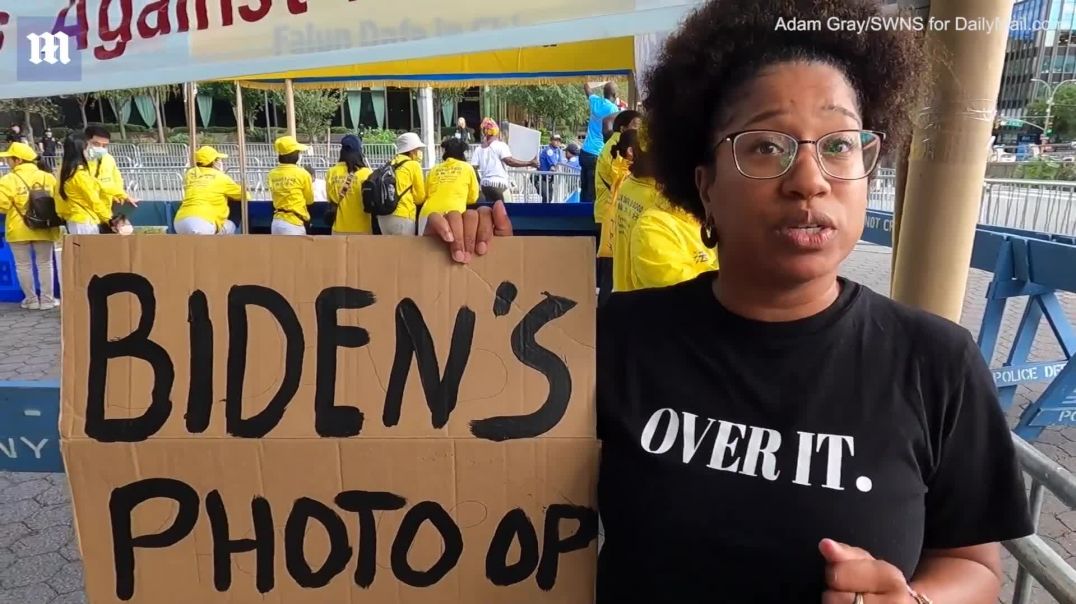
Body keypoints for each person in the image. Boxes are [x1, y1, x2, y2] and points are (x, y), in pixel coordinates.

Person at [424, 0, 1035, 601]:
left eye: (840, 144)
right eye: (766, 146)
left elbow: (973, 564)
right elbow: (466, 452)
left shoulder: (936, 364)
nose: (810, 179)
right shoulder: (616, 338)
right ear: (705, 185)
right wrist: (462, 280)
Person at [0, 142, 59, 310]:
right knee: (45, 263)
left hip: (18, 229)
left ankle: (31, 300)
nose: (7, 162)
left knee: (23, 266)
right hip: (44, 227)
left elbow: (2, 205)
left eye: (9, 159)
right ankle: (47, 300)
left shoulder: (8, 179)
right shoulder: (47, 177)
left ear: (17, 160)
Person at [595, 110, 643, 302]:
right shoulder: (617, 148)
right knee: (611, 275)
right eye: (636, 127)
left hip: (615, 216)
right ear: (623, 128)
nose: (641, 132)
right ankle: (606, 322)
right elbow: (621, 179)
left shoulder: (614, 145)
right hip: (612, 219)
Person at [173, 146, 242, 235]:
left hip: (180, 222)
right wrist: (220, 173)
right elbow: (244, 195)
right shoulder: (222, 178)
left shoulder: (190, 174)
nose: (221, 162)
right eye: (219, 159)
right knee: (237, 209)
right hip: (204, 224)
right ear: (214, 162)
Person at [419, 137, 480, 236]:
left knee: (423, 250)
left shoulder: (434, 169)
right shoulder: (467, 168)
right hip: (454, 216)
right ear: (462, 153)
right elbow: (473, 198)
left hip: (427, 215)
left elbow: (426, 194)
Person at [56, 133, 111, 235]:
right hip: (85, 223)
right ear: (81, 150)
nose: (90, 150)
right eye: (89, 146)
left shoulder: (66, 171)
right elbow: (94, 200)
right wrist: (110, 219)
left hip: (74, 220)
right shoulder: (80, 174)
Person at [470, 118, 537, 203]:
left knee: (489, 212)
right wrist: (529, 163)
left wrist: (480, 182)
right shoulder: (501, 145)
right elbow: (509, 161)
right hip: (499, 185)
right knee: (507, 210)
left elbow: (473, 168)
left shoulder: (478, 149)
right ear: (496, 131)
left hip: (485, 185)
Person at [579, 81, 621, 203]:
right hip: (597, 154)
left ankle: (579, 216)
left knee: (584, 188)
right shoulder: (613, 108)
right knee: (593, 192)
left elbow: (586, 86)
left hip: (585, 151)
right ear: (614, 94)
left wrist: (599, 82)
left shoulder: (595, 102)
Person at [378, 132, 427, 236]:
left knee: (389, 252)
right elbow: (419, 198)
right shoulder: (413, 165)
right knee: (405, 252)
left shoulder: (389, 163)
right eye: (418, 149)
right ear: (412, 150)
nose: (420, 152)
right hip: (403, 216)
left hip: (383, 217)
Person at [327, 134, 374, 235]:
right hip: (363, 228)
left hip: (338, 228)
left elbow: (330, 199)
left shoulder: (332, 172)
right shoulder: (367, 173)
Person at [268, 136, 314, 235]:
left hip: (276, 222)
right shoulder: (303, 174)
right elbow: (309, 200)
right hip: (294, 224)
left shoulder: (271, 174)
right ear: (294, 155)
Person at [85, 125, 139, 209]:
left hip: (107, 207)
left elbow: (117, 179)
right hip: (88, 208)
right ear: (86, 142)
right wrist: (123, 195)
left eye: (104, 145)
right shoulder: (78, 162)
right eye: (96, 144)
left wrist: (117, 195)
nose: (101, 148)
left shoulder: (109, 159)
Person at [535, 134, 564, 203]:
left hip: (549, 177)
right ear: (551, 141)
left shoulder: (558, 150)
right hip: (542, 176)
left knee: (549, 198)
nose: (558, 142)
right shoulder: (549, 150)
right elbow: (553, 166)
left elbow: (559, 163)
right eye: (555, 140)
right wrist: (556, 169)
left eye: (559, 140)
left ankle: (544, 212)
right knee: (546, 196)